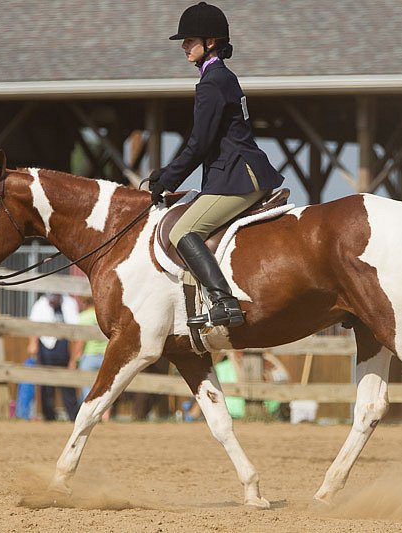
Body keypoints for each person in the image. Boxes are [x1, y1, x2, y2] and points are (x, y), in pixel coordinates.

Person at [148, 2, 284, 329]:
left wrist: (166, 178)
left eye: (189, 40)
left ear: (210, 42)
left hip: (237, 177)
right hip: (240, 173)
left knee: (182, 230)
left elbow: (200, 143)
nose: (183, 46)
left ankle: (223, 301)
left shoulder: (211, 83)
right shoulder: (222, 77)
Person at [27, 292, 80, 421]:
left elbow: (76, 330)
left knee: (67, 385)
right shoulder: (40, 305)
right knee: (46, 386)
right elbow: (33, 327)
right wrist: (33, 344)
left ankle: (73, 417)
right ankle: (48, 416)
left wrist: (73, 358)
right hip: (45, 347)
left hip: (63, 346)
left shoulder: (69, 304)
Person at [69, 296, 109, 409]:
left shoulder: (84, 317)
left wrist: (73, 360)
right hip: (105, 356)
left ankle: (90, 411)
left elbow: (80, 342)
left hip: (90, 356)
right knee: (106, 389)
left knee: (87, 387)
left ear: (84, 302)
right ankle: (105, 417)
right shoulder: (104, 316)